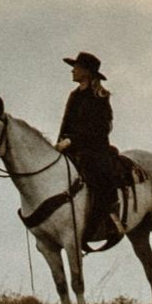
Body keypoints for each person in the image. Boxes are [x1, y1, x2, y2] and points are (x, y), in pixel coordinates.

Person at [56, 51, 124, 245]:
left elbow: (101, 128)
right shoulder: (74, 95)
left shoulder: (100, 96)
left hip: (95, 148)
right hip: (71, 147)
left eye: (76, 67)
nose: (73, 70)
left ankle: (110, 218)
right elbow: (66, 124)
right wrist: (60, 142)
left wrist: (72, 141)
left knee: (98, 172)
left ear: (86, 72)